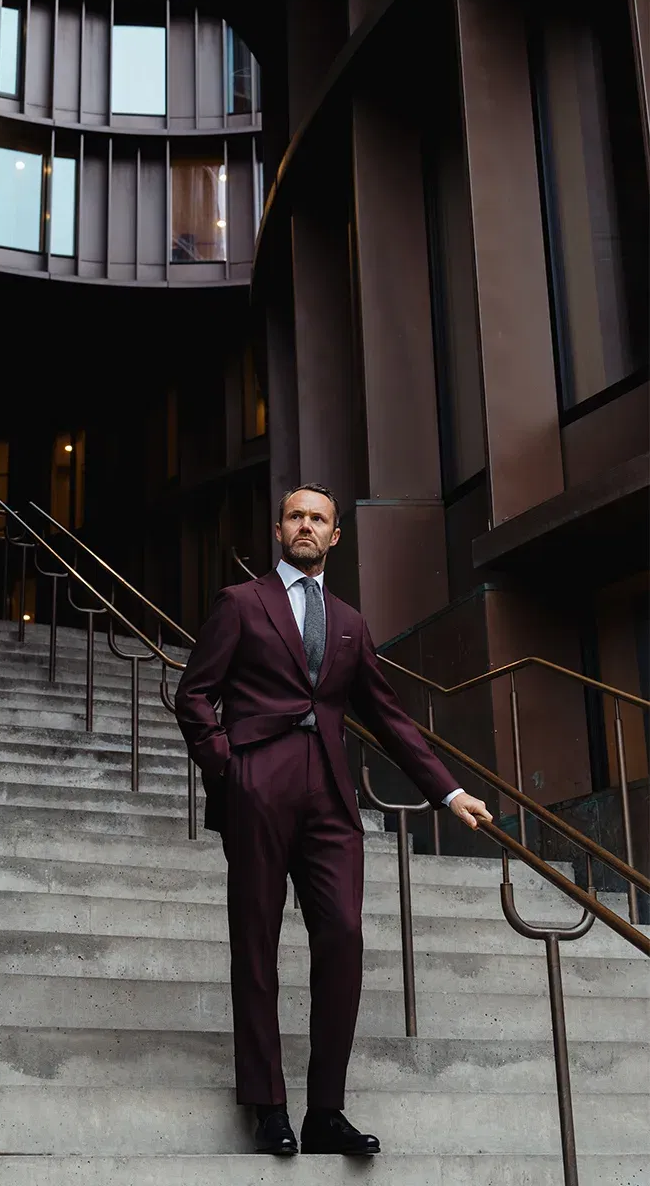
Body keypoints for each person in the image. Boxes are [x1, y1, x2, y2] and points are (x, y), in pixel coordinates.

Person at [174, 483, 492, 1156]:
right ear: (279, 528)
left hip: (332, 803)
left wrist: (448, 792)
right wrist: (228, 767)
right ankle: (267, 1105)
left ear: (335, 535)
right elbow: (195, 695)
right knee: (256, 943)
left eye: (319, 518)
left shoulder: (349, 621)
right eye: (296, 516)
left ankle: (325, 1110)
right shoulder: (240, 603)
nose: (307, 527)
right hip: (257, 787)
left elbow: (387, 718)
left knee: (344, 937)